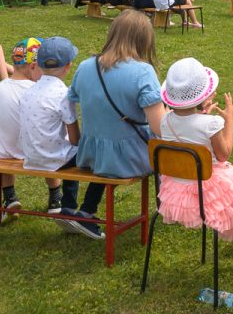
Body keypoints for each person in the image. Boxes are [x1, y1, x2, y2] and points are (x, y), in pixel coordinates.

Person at [63, 12, 167, 239]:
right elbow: (160, 127)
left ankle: (88, 210)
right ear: (143, 39)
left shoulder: (85, 66)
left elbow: (74, 99)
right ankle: (168, 206)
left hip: (91, 153)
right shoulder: (142, 72)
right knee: (165, 144)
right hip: (129, 157)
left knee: (116, 144)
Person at [156, 58, 233, 260]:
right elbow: (224, 153)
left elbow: (188, 129)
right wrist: (229, 119)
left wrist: (203, 116)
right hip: (206, 189)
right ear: (203, 94)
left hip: (176, 189)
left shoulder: (165, 121)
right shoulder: (211, 123)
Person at [18, 37, 87, 232]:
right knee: (80, 152)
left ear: (38, 64)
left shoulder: (28, 92)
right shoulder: (63, 94)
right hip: (54, 160)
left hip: (30, 156)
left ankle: (67, 207)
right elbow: (74, 139)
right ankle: (69, 208)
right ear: (68, 66)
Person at [0, 36, 48, 214]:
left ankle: (10, 197)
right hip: (38, 153)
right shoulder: (40, 90)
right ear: (34, 66)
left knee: (0, 146)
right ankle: (56, 199)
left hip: (7, 152)